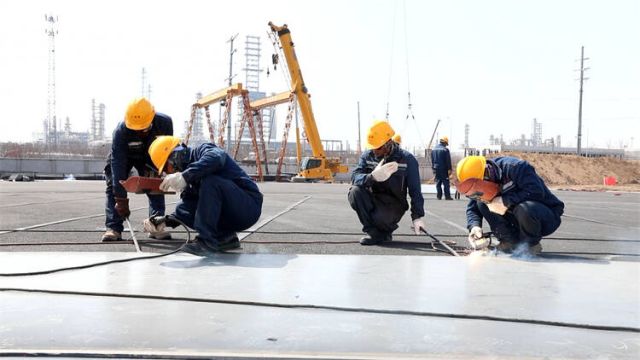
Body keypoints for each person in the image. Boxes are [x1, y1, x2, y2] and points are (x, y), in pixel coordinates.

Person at [143, 136, 263, 255]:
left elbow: (216, 158)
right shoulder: (190, 180)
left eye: (166, 168)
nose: (168, 173)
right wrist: (164, 221)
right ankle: (225, 238)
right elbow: (188, 209)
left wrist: (185, 176)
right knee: (183, 207)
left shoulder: (203, 150)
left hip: (248, 206)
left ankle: (206, 242)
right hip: (234, 214)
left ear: (175, 157)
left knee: (211, 182)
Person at [456, 155, 564, 255]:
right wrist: (474, 226)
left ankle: (529, 245)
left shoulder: (516, 168)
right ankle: (509, 242)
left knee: (524, 208)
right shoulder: (479, 186)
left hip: (544, 216)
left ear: (487, 174)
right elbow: (473, 208)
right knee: (482, 203)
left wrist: (505, 201)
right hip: (516, 218)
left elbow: (536, 191)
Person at [102, 97, 173, 242]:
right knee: (113, 185)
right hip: (125, 156)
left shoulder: (164, 123)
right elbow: (118, 167)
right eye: (136, 129)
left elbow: (166, 149)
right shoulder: (121, 131)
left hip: (150, 156)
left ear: (152, 118)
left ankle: (155, 225)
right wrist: (121, 200)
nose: (140, 131)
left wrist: (164, 169)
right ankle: (113, 228)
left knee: (155, 184)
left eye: (144, 128)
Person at [348, 120, 426, 245]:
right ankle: (373, 232)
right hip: (373, 198)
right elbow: (355, 177)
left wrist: (417, 216)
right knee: (355, 192)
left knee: (381, 219)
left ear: (388, 143)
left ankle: (384, 231)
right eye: (372, 147)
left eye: (378, 148)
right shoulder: (367, 156)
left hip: (394, 203)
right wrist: (371, 177)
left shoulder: (407, 160)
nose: (374, 151)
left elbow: (415, 190)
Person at [431, 136, 453, 200]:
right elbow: (448, 160)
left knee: (438, 183)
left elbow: (432, 160)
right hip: (443, 169)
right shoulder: (445, 150)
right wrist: (449, 169)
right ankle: (447, 196)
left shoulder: (433, 149)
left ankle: (439, 196)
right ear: (445, 143)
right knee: (446, 183)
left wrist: (433, 168)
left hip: (436, 168)